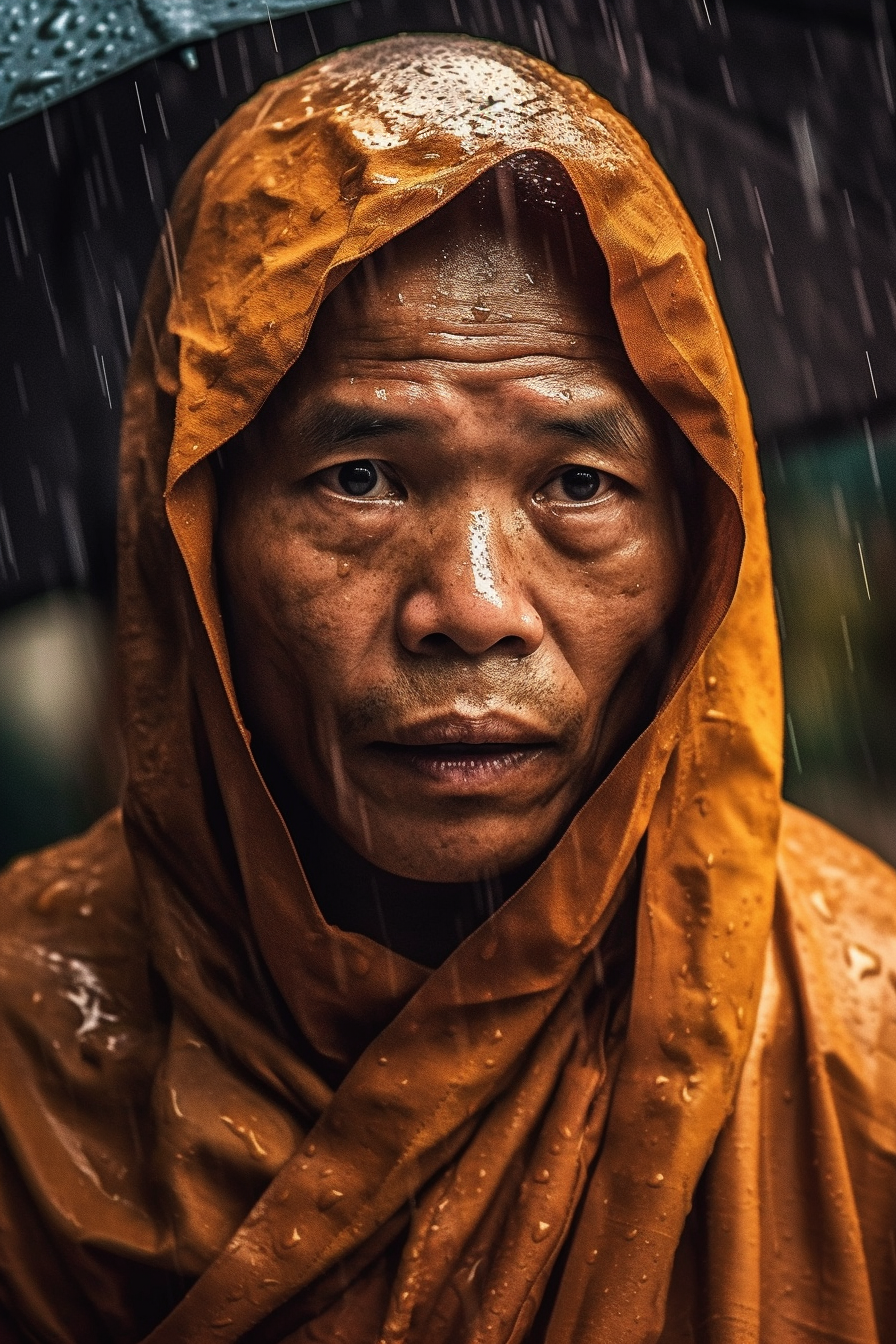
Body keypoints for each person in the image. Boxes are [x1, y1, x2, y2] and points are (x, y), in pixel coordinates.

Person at [0, 33, 893, 1344]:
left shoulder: (853, 1046)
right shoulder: (25, 1038)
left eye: (577, 484)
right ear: (191, 540)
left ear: (697, 545)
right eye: (360, 477)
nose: (473, 608)